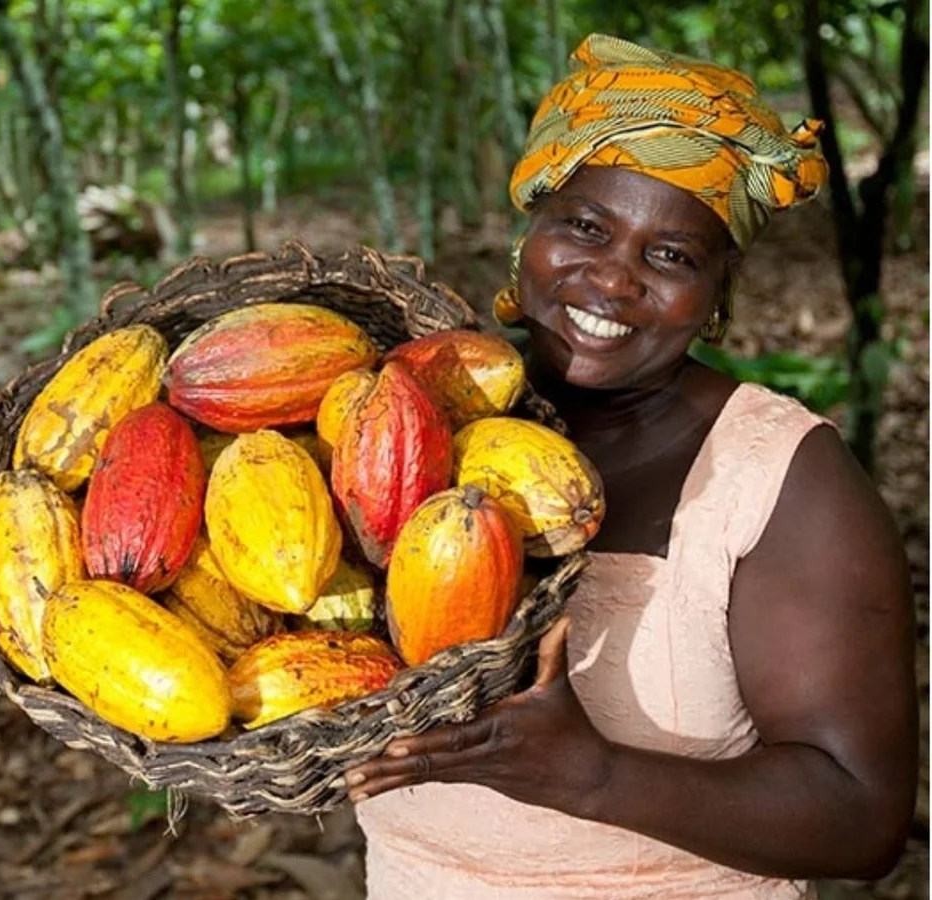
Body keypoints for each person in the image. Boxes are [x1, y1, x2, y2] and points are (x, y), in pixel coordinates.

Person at [344, 34, 920, 899]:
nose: (612, 280)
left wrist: (592, 775)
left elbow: (862, 818)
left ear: (717, 293)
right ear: (530, 232)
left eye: (671, 255)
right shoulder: (407, 413)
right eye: (585, 226)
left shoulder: (782, 482)